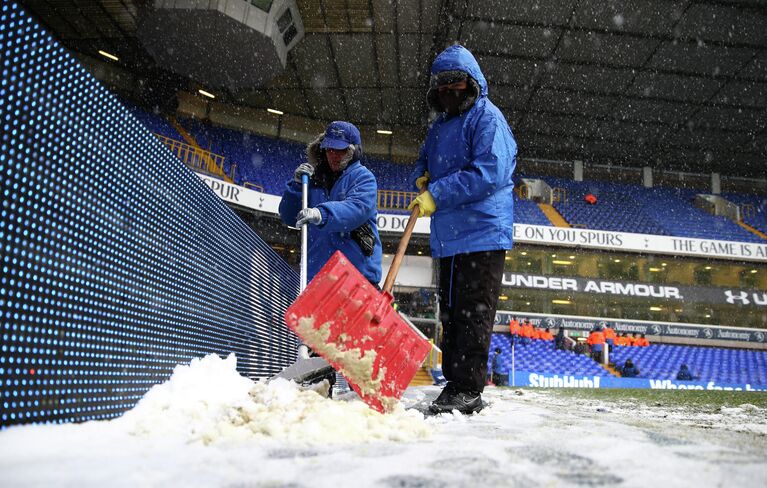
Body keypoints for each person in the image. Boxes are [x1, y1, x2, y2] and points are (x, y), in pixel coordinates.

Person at [407, 44, 517, 415]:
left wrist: (436, 193)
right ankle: (455, 383)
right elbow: (425, 158)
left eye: (456, 82)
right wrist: (421, 174)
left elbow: (489, 172)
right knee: (451, 312)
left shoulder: (488, 119)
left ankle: (469, 388)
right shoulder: (439, 127)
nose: (450, 90)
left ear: (471, 83)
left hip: (483, 232)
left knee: (473, 311)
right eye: (443, 84)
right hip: (450, 238)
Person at [278, 121, 383, 383]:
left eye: (340, 150)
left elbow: (357, 208)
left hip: (355, 277)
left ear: (352, 151)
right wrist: (295, 186)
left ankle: (365, 404)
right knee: (319, 356)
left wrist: (321, 213)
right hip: (321, 279)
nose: (333, 156)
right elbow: (288, 216)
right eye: (329, 150)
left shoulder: (363, 178)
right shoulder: (310, 181)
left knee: (358, 352)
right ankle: (319, 398)